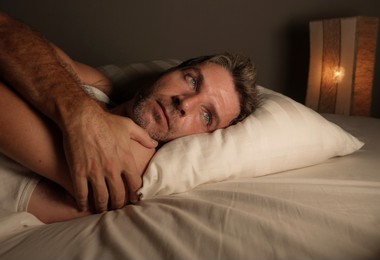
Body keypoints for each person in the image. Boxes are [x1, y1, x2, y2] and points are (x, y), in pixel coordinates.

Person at [0, 12, 258, 223]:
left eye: (206, 115)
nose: (185, 102)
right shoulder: (98, 88)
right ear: (168, 72)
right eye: (191, 79)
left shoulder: (136, 158)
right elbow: (6, 30)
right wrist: (79, 110)